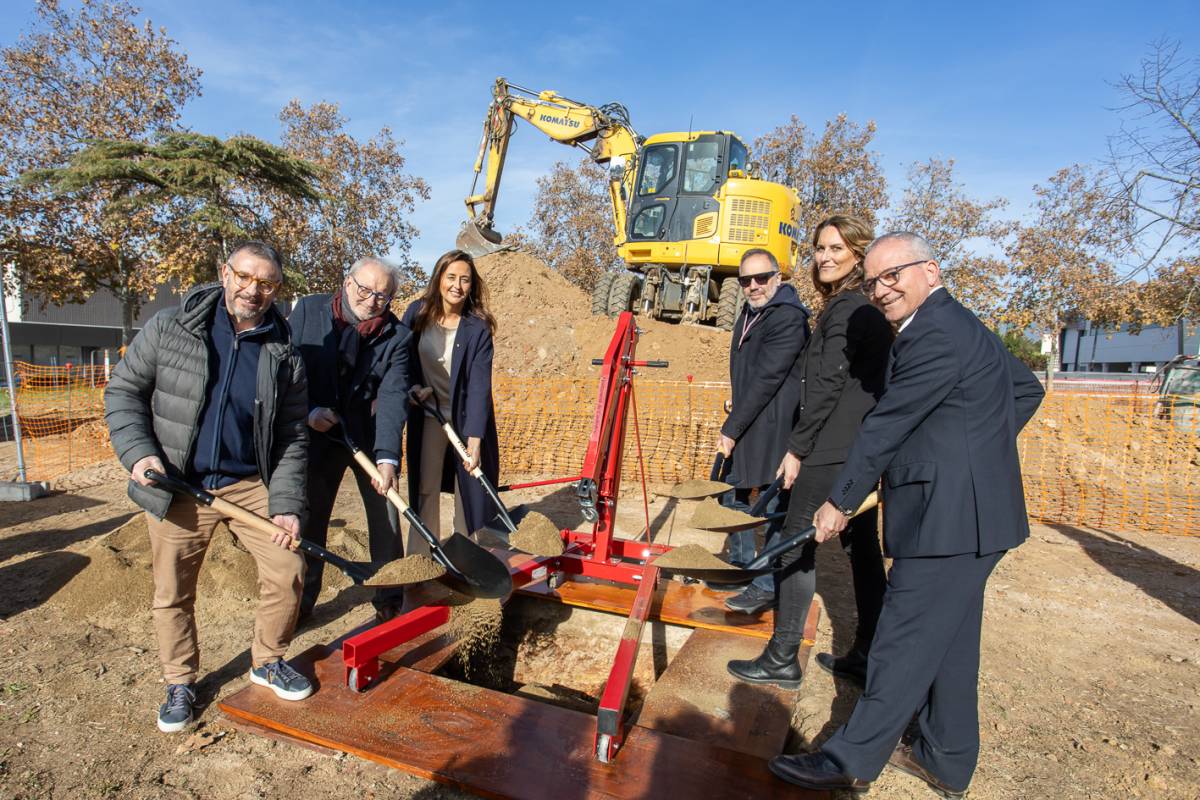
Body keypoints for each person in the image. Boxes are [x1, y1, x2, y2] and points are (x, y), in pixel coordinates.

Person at [768, 232, 1045, 797]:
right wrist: (972, 451)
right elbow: (1025, 389)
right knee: (951, 639)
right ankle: (946, 755)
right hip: (974, 515)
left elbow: (886, 425)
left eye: (893, 275)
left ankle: (849, 759)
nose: (882, 289)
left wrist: (839, 501)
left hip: (949, 519)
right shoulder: (963, 325)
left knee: (901, 635)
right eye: (872, 281)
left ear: (931, 270)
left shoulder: (933, 335)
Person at [103, 241, 313, 734]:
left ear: (276, 289)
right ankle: (179, 681)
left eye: (265, 283)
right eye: (244, 276)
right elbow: (124, 392)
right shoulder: (171, 328)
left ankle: (267, 660)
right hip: (179, 483)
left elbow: (292, 437)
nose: (252, 289)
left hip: (246, 484)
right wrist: (140, 454)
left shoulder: (284, 354)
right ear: (225, 273)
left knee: (288, 568)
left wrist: (285, 505)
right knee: (173, 590)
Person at [727, 216, 891, 689]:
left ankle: (781, 656)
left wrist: (798, 448)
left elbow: (827, 386)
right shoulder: (860, 307)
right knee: (862, 551)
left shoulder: (845, 310)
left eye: (836, 249)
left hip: (831, 449)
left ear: (858, 254)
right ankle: (869, 650)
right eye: (820, 248)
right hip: (858, 447)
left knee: (792, 548)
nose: (824, 257)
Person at [288, 257, 411, 623]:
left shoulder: (398, 336)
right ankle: (303, 602)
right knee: (311, 519)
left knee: (386, 518)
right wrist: (308, 412)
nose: (371, 300)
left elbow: (394, 395)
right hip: (318, 433)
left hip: (368, 438)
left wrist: (388, 458)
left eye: (382, 295)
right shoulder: (309, 311)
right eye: (364, 289)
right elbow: (286, 371)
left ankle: (389, 596)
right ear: (346, 281)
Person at [716, 248, 810, 615]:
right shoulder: (749, 312)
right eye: (745, 281)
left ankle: (765, 584)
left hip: (776, 426)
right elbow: (748, 375)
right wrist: (735, 410)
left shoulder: (787, 318)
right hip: (750, 419)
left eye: (760, 278)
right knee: (734, 495)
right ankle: (741, 567)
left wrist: (732, 426)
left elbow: (769, 377)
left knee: (771, 507)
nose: (752, 286)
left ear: (777, 278)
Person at [401, 249, 499, 547]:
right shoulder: (416, 314)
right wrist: (413, 388)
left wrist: (475, 438)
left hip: (466, 417)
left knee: (467, 489)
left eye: (465, 280)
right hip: (430, 414)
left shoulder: (477, 326)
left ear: (472, 285)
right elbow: (401, 362)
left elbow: (481, 383)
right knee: (425, 487)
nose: (457, 285)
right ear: (439, 278)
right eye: (451, 277)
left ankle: (467, 554)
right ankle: (420, 559)